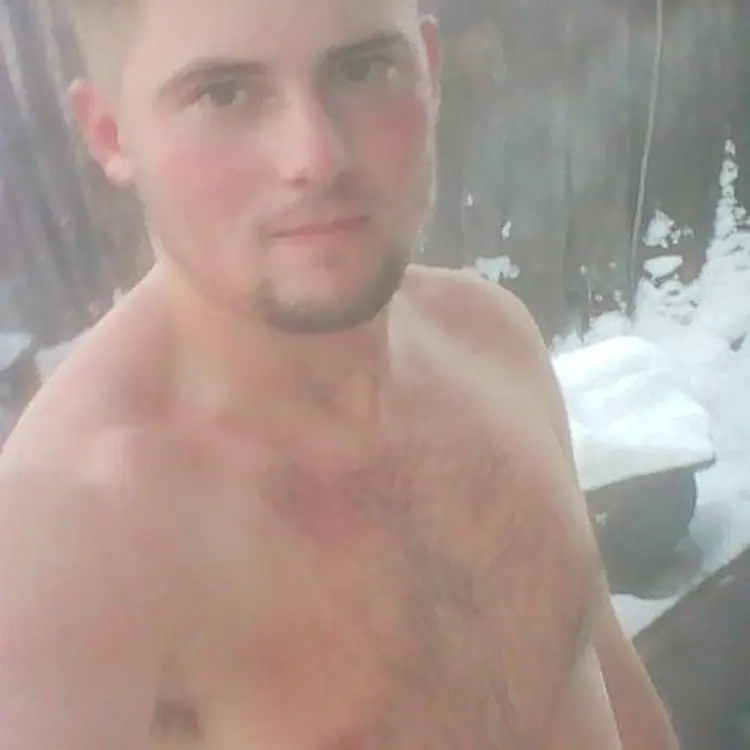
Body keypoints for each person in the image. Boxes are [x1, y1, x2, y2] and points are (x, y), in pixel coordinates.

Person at [0, 0, 679, 747]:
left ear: (430, 71)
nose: (317, 157)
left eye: (362, 69)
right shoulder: (66, 537)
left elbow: (606, 676)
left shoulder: (494, 341)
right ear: (110, 133)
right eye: (223, 93)